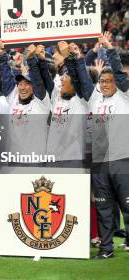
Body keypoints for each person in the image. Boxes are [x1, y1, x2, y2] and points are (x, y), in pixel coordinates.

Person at [69, 33, 129, 259]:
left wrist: (109, 49)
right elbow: (82, 80)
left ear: (117, 83)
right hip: (100, 161)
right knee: (104, 208)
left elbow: (121, 76)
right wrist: (74, 57)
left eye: (108, 81)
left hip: (123, 159)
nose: (104, 85)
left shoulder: (125, 95)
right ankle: (106, 249)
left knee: (128, 208)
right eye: (102, 81)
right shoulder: (94, 98)